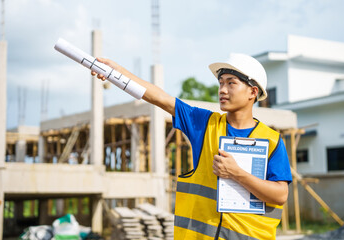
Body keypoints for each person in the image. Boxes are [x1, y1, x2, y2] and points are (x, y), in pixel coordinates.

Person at [92, 53, 292, 240]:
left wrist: (236, 173)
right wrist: (114, 71)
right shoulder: (205, 125)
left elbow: (280, 195)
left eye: (231, 83)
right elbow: (158, 97)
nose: (222, 90)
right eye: (221, 83)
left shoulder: (272, 140)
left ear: (253, 92)